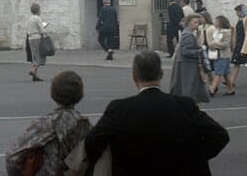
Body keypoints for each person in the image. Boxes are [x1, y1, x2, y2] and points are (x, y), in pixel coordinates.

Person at [84, 51, 229, 175]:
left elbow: (92, 143)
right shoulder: (184, 105)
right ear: (160, 74)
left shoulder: (119, 109)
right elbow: (219, 135)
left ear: (134, 76)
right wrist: (194, 157)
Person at [5, 71, 91, 176]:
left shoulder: (46, 124)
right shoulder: (85, 125)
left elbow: (13, 157)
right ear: (79, 94)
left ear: (53, 93)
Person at [170, 13, 209, 104]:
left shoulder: (188, 33)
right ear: (188, 23)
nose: (197, 25)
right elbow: (186, 52)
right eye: (195, 22)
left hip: (187, 64)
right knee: (189, 90)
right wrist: (200, 50)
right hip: (188, 65)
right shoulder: (188, 34)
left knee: (189, 90)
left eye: (198, 23)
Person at [208, 15, 234, 96]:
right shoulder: (216, 31)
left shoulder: (226, 32)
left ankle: (212, 88)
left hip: (223, 54)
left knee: (218, 72)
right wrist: (213, 43)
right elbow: (213, 40)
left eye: (217, 21)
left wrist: (213, 44)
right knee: (225, 73)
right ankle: (230, 89)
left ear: (221, 22)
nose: (215, 22)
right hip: (216, 53)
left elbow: (225, 44)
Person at [26, 3, 47, 82]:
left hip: (30, 38)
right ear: (38, 10)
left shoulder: (30, 18)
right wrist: (46, 32)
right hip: (37, 38)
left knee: (34, 56)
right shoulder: (38, 18)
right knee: (40, 57)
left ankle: (35, 76)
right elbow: (41, 29)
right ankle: (33, 70)